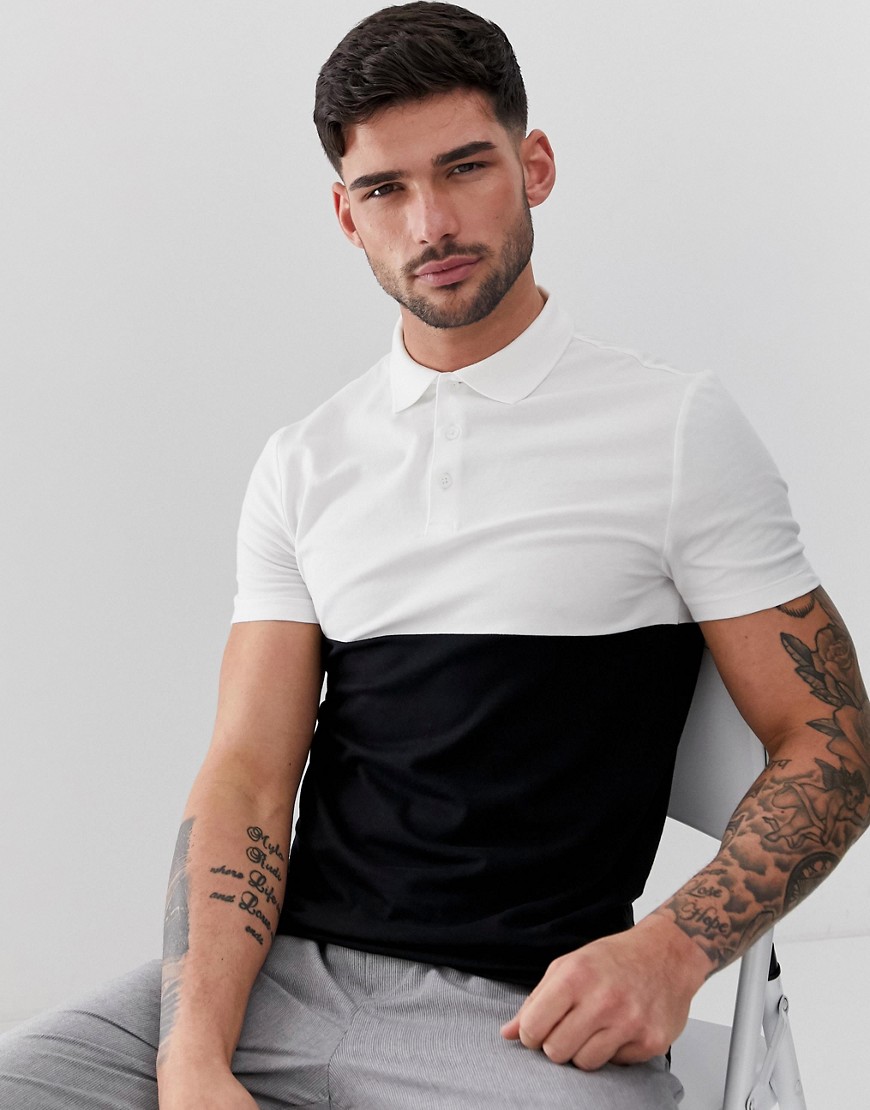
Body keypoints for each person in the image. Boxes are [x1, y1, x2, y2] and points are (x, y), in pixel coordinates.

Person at [1, 3, 867, 1108]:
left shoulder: (676, 430)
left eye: (465, 168)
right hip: (278, 984)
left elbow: (832, 740)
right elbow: (247, 780)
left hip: (516, 1020)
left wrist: (671, 950)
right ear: (345, 213)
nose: (432, 222)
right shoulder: (305, 462)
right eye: (385, 190)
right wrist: (193, 1058)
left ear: (534, 165)